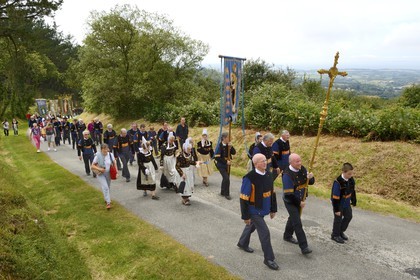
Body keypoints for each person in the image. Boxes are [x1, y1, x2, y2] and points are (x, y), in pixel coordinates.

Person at [237, 153, 279, 270]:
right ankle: (269, 259)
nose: (265, 163)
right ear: (255, 164)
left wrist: (273, 209)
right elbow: (243, 198)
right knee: (265, 233)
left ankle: (242, 242)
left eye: (265, 160)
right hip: (254, 211)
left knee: (251, 226)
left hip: (264, 209)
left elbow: (272, 192)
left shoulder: (269, 175)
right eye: (262, 161)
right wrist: (245, 216)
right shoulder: (249, 178)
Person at [282, 153, 315, 255]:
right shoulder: (287, 174)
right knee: (297, 222)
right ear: (291, 162)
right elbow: (289, 194)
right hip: (290, 201)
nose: (300, 163)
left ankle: (287, 236)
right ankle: (304, 247)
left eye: (300, 160)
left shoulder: (302, 168)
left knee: (292, 217)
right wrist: (299, 202)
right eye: (297, 161)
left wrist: (311, 177)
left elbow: (309, 182)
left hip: (301, 198)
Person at [331, 162, 357, 243]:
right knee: (338, 219)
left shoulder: (351, 180)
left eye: (352, 173)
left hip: (347, 203)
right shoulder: (338, 182)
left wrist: (353, 200)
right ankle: (335, 235)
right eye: (349, 174)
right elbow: (335, 198)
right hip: (339, 203)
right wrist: (337, 210)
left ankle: (340, 231)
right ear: (344, 172)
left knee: (348, 216)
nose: (351, 175)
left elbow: (352, 191)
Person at [91, 143, 117, 209]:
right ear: (101, 149)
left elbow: (114, 163)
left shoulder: (110, 155)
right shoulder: (98, 156)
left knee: (107, 186)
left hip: (108, 173)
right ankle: (108, 202)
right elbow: (92, 165)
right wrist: (100, 169)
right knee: (105, 187)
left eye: (106, 149)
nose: (105, 150)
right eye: (104, 149)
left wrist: (116, 172)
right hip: (100, 174)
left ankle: (106, 198)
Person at [176, 139, 200, 205]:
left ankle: (186, 198)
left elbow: (189, 162)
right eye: (189, 149)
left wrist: (196, 163)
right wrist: (182, 173)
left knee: (189, 184)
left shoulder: (189, 154)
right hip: (183, 171)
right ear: (185, 149)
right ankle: (184, 199)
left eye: (190, 149)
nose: (190, 150)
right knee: (184, 185)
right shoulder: (180, 156)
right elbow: (177, 166)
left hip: (189, 171)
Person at [214, 132, 236, 200]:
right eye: (228, 138)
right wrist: (226, 162)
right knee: (226, 178)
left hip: (228, 164)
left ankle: (222, 192)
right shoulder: (219, 146)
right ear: (224, 138)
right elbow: (217, 157)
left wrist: (231, 147)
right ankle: (227, 194)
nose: (229, 139)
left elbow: (234, 152)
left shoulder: (228, 145)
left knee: (226, 178)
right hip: (221, 164)